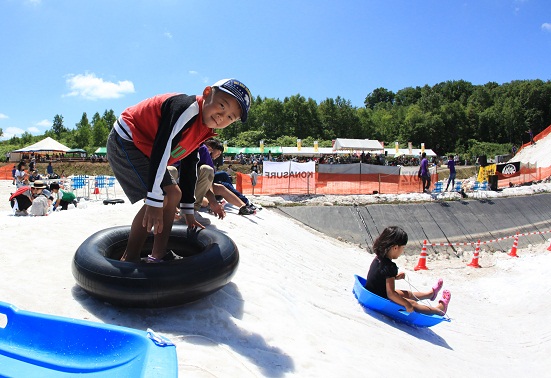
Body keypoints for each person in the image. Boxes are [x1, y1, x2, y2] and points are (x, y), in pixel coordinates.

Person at [106, 78, 251, 263]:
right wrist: (153, 200)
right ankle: (130, 257)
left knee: (174, 194)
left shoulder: (204, 129)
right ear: (207, 93)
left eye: (231, 117)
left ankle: (159, 254)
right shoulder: (187, 109)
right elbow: (162, 148)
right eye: (222, 105)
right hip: (126, 140)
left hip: (148, 150)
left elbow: (190, 166)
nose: (222, 116)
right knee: (163, 196)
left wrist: (188, 211)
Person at [364, 226, 451, 315]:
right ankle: (440, 310)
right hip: (380, 298)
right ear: (395, 248)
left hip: (374, 292)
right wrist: (407, 304)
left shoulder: (379, 258)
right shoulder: (390, 266)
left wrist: (395, 277)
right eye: (403, 248)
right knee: (412, 303)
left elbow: (380, 277)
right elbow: (391, 294)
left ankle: (430, 294)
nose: (403, 250)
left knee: (404, 293)